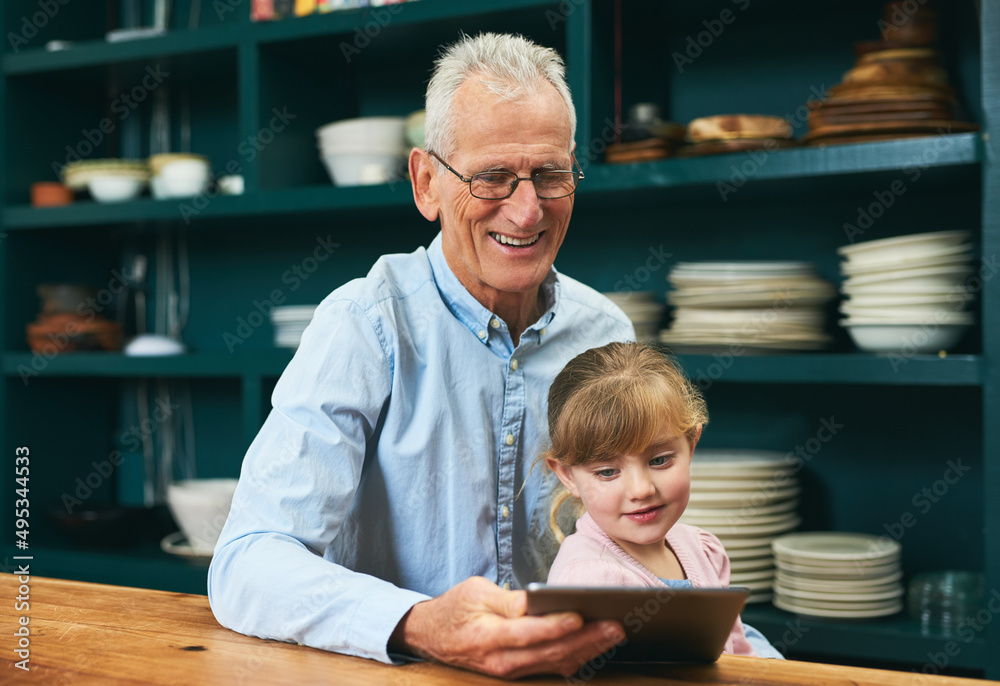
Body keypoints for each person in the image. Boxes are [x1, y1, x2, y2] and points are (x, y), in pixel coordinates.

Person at [208, 32, 636, 678]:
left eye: (550, 175)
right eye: (493, 177)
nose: (526, 212)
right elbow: (246, 561)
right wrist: (417, 624)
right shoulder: (364, 325)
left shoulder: (607, 335)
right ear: (426, 182)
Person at [542, 341, 783, 658]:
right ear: (568, 475)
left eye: (659, 461)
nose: (641, 490)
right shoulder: (589, 583)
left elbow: (739, 650)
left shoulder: (700, 547)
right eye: (607, 471)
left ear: (692, 444)